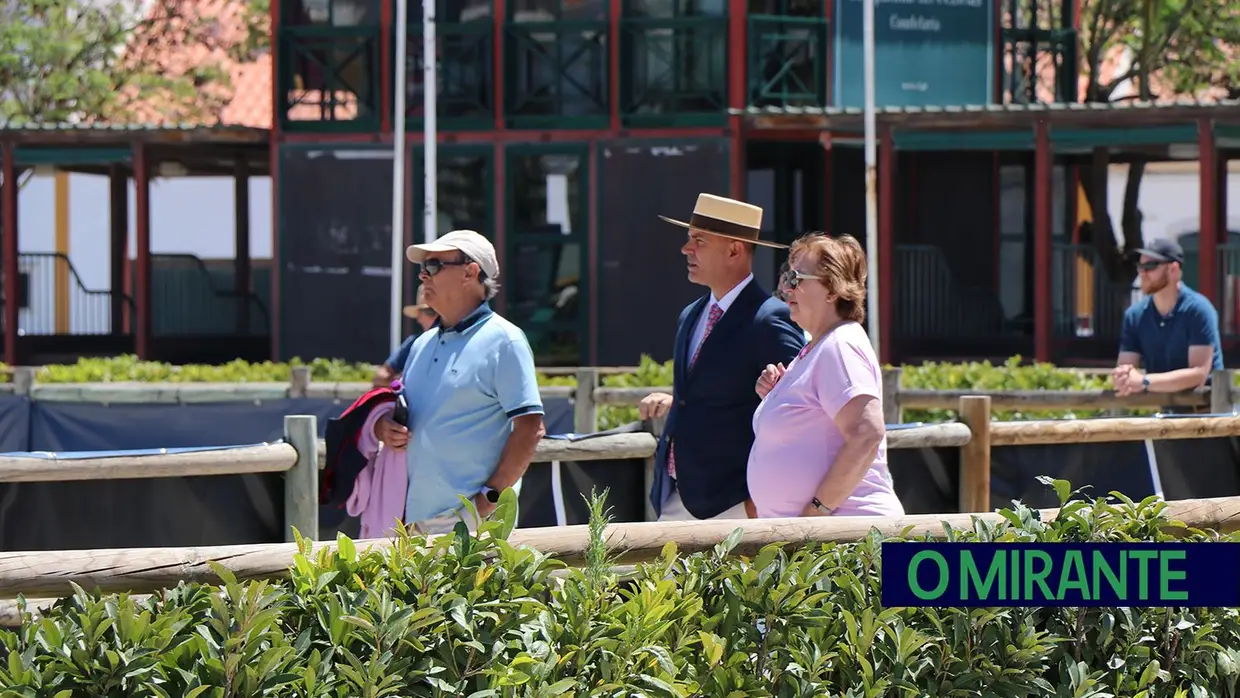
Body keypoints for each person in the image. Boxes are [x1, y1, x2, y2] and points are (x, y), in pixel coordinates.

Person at [639, 193, 805, 522]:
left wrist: (755, 507)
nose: (687, 249)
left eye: (699, 240)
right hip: (678, 494)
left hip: (735, 504)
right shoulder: (691, 315)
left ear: (733, 250)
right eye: (689, 240)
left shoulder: (769, 318)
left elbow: (800, 413)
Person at [371, 229, 546, 534]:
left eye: (435, 266)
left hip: (474, 526)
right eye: (422, 268)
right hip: (411, 523)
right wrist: (384, 426)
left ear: (471, 272)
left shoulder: (505, 340)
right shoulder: (421, 344)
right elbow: (411, 416)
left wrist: (488, 499)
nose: (424, 276)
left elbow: (530, 429)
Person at [749, 232, 904, 518]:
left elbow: (867, 433)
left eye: (797, 279)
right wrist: (775, 398)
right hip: (822, 540)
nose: (787, 288)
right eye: (787, 277)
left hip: (847, 538)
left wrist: (817, 512)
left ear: (832, 290)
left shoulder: (840, 345)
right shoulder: (818, 346)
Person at [1113, 238, 1224, 405]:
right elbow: (1125, 369)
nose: (1142, 273)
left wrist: (1144, 382)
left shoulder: (1199, 310)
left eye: (1150, 267)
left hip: (1207, 418)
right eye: (1140, 266)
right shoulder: (1134, 315)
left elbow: (1198, 375)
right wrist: (1122, 378)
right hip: (1166, 418)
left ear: (1173, 270)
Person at [372, 286, 440, 387]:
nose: (436, 318)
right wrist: (402, 383)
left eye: (436, 312)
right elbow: (381, 377)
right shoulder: (414, 343)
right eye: (429, 312)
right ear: (419, 317)